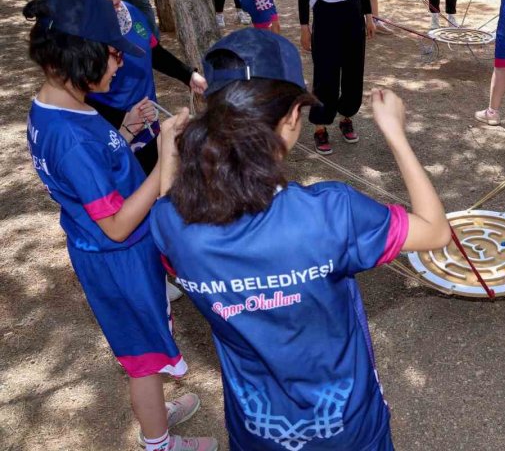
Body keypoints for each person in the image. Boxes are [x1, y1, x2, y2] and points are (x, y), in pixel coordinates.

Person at [150, 28, 451, 451]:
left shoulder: (169, 221)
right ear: (292, 117)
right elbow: (435, 231)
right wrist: (396, 135)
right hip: (349, 431)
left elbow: (170, 228)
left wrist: (168, 158)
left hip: (257, 434)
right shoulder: (330, 213)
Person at [24, 0, 216, 451]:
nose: (119, 63)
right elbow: (115, 223)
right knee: (142, 357)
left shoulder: (62, 108)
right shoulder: (72, 137)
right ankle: (159, 441)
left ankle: (155, 408)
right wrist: (165, 163)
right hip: (117, 256)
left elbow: (95, 179)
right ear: (78, 57)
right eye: (111, 54)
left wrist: (127, 132)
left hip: (117, 254)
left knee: (145, 347)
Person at [48, 0, 207, 175]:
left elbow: (153, 51)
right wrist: (127, 121)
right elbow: (76, 95)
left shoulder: (130, 13)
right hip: (114, 128)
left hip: (146, 118)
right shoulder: (75, 38)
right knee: (132, 187)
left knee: (157, 177)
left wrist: (188, 74)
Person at [297, 0, 376, 155]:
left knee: (353, 69)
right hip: (326, 14)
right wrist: (304, 27)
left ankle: (346, 116)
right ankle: (320, 126)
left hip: (351, 11)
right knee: (326, 72)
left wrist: (369, 16)